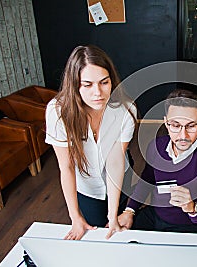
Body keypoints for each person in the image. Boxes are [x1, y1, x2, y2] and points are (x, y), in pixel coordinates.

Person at [45, 45, 136, 240]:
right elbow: (67, 167)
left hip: (120, 173)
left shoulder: (126, 109)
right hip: (86, 184)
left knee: (117, 227)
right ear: (74, 84)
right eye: (87, 85)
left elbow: (115, 162)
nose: (98, 93)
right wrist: (75, 217)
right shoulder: (57, 112)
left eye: (104, 82)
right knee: (94, 231)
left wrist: (113, 216)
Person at [118, 89, 197, 233]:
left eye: (191, 125)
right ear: (166, 122)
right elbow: (146, 180)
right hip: (156, 216)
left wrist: (192, 208)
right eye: (175, 125)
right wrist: (129, 211)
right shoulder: (156, 146)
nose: (183, 135)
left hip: (191, 225)